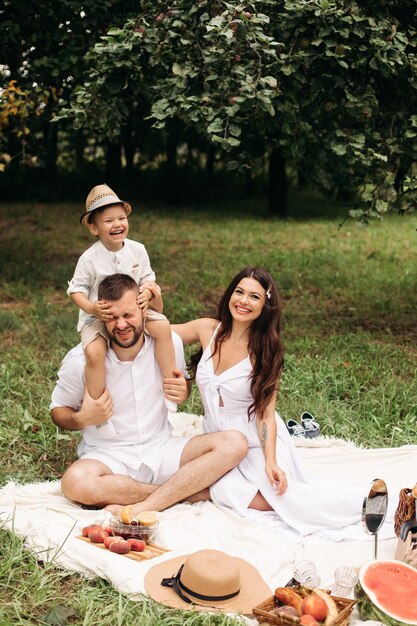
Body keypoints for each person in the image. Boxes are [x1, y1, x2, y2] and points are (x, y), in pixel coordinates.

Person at [172, 266, 369, 538]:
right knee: (225, 488)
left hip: (254, 439)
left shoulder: (265, 350)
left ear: (265, 305)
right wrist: (147, 298)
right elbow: (161, 334)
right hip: (217, 439)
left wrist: (270, 461)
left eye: (254, 297)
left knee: (278, 497)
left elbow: (265, 415)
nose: (243, 301)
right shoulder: (208, 329)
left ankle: (364, 506)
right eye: (239, 292)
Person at [50, 273, 248, 512]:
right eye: (112, 317)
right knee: (75, 483)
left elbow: (180, 385)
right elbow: (58, 411)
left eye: (128, 315)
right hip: (110, 457)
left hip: (162, 448)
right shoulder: (80, 360)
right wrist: (81, 418)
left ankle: (142, 499)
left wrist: (182, 391)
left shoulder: (168, 344)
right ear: (102, 317)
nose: (121, 324)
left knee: (234, 443)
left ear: (143, 311)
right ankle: (188, 493)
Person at [67, 183, 177, 414]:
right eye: (108, 221)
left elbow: (148, 279)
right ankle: (97, 406)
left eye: (121, 218)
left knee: (164, 327)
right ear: (94, 228)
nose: (117, 224)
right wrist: (92, 308)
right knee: (94, 352)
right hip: (101, 316)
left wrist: (146, 293)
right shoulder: (89, 259)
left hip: (133, 312)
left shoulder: (138, 250)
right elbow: (76, 290)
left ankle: (169, 386)